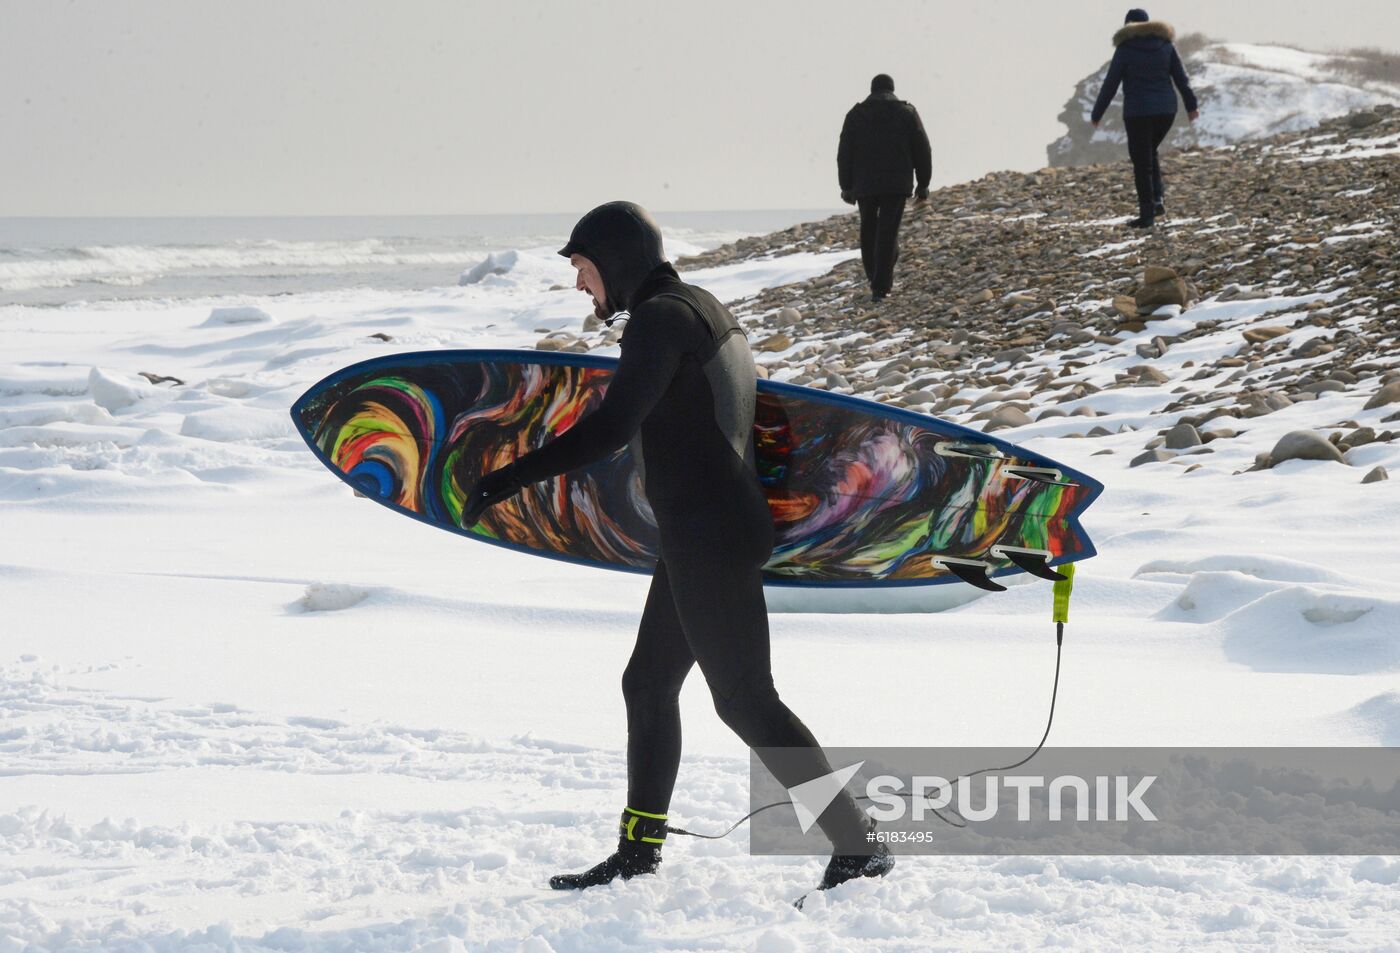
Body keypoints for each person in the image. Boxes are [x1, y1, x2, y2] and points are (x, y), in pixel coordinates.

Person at [463, 201, 893, 894]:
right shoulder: (696, 307)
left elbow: (612, 427)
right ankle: (638, 850)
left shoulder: (660, 320)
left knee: (746, 700)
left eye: (582, 267)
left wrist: (509, 477)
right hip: (701, 531)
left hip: (710, 535)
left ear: (614, 260)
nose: (579, 284)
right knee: (648, 684)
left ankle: (858, 841)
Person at [1090, 8, 1200, 229]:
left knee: (1142, 162)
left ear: (1127, 26)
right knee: (1149, 152)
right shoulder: (1166, 46)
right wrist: (1191, 105)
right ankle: (1157, 200)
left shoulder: (1124, 49)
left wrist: (1097, 113)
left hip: (1138, 113)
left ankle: (1147, 215)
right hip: (1166, 111)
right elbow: (1181, 78)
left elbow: (1111, 83)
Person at [837, 74, 932, 302]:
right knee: (888, 232)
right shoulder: (906, 112)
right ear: (892, 89)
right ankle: (881, 286)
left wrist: (846, 186)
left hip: (865, 185)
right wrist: (923, 183)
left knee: (868, 231)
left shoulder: (856, 115)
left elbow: (844, 153)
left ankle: (875, 278)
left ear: (872, 90)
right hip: (896, 184)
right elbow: (922, 148)